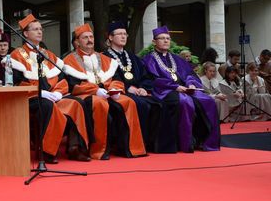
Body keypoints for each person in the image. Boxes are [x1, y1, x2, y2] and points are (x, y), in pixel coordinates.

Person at [10, 14, 90, 163]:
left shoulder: (49, 55)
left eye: (41, 29)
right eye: (35, 29)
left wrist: (59, 93)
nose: (40, 32)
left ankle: (75, 148)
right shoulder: (16, 55)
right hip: (29, 97)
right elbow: (16, 82)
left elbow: (61, 79)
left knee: (77, 103)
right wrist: (40, 92)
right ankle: (46, 151)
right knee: (46, 106)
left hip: (52, 95)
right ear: (26, 34)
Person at [63, 24, 146, 159]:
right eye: (85, 38)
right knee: (100, 104)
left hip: (108, 92)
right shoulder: (69, 60)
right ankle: (99, 150)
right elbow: (73, 85)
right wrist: (96, 90)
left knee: (128, 102)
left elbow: (117, 78)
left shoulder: (105, 58)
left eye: (91, 37)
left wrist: (114, 88)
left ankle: (129, 148)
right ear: (77, 42)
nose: (89, 40)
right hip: (86, 95)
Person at [143, 26, 220, 152]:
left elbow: (190, 74)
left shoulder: (177, 59)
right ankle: (185, 142)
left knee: (208, 101)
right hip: (164, 91)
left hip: (185, 89)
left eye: (167, 38)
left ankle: (204, 140)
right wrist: (175, 87)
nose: (166, 41)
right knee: (184, 102)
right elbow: (152, 79)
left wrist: (191, 84)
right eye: (162, 38)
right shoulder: (148, 60)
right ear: (154, 42)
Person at [103, 21, 171, 153]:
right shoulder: (104, 57)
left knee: (159, 104)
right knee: (141, 105)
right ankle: (134, 144)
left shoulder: (132, 56)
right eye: (120, 34)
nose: (123, 37)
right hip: (119, 92)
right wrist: (128, 88)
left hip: (138, 91)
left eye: (125, 34)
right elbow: (109, 78)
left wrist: (143, 87)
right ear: (110, 37)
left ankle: (153, 144)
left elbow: (145, 75)